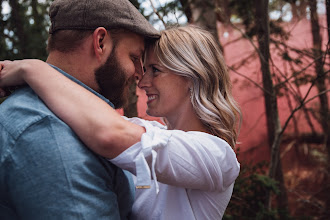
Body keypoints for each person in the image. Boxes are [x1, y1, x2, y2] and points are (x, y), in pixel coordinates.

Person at [0, 26, 241, 219]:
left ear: (191, 77)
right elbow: (86, 114)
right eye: (143, 69)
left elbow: (109, 133)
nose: (142, 81)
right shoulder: (150, 131)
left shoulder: (219, 157)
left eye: (154, 70)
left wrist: (32, 69)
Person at [0, 0, 160, 219]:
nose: (139, 74)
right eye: (134, 57)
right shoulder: (47, 134)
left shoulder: (69, 121)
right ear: (100, 42)